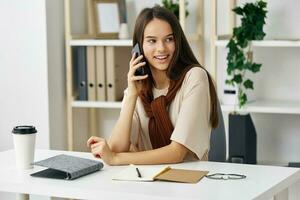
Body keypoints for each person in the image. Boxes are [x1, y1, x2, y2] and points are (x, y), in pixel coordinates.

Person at [87, 6, 218, 165]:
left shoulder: (195, 77)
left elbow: (177, 153)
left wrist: (116, 159)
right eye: (152, 41)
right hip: (149, 180)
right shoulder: (138, 89)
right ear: (139, 47)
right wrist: (131, 96)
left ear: (178, 41)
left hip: (190, 181)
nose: (161, 48)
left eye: (169, 39)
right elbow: (116, 147)